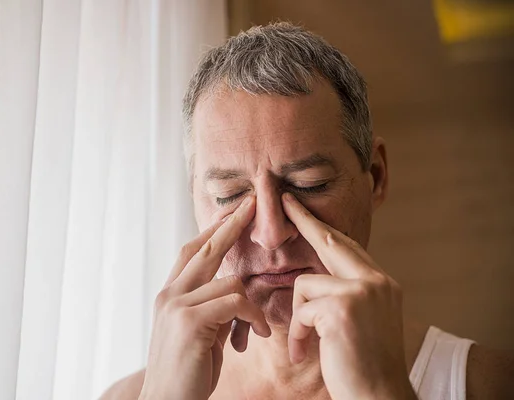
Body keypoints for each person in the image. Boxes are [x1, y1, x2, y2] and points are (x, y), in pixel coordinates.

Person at [103, 22, 514, 399]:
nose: (270, 232)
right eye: (229, 194)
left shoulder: (490, 384)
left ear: (376, 175)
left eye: (308, 186)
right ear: (193, 196)